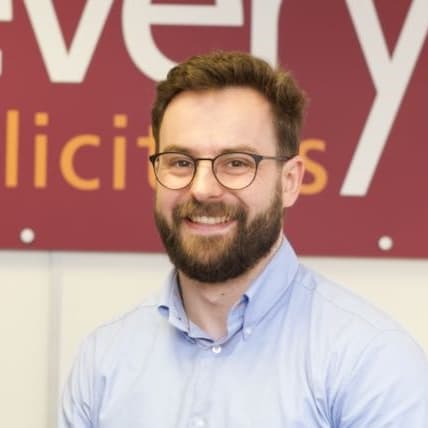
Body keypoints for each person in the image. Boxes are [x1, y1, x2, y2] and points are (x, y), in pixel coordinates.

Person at [59, 51, 428, 427]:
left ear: (290, 181)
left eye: (236, 163)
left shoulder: (371, 363)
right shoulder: (102, 363)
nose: (203, 189)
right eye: (181, 162)